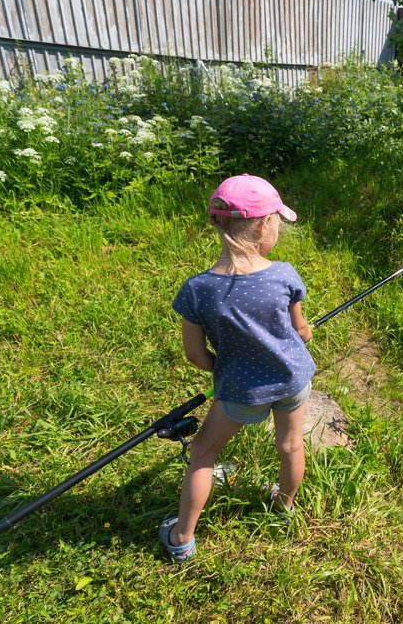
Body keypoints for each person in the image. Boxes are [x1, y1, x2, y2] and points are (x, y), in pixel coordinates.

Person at [159, 174, 315, 563]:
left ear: (216, 223)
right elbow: (302, 332)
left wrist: (224, 369)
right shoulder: (284, 274)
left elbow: (194, 354)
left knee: (204, 453)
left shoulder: (196, 289)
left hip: (239, 392)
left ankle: (181, 537)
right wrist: (303, 332)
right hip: (292, 380)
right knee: (290, 445)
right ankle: (283, 509)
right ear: (265, 225)